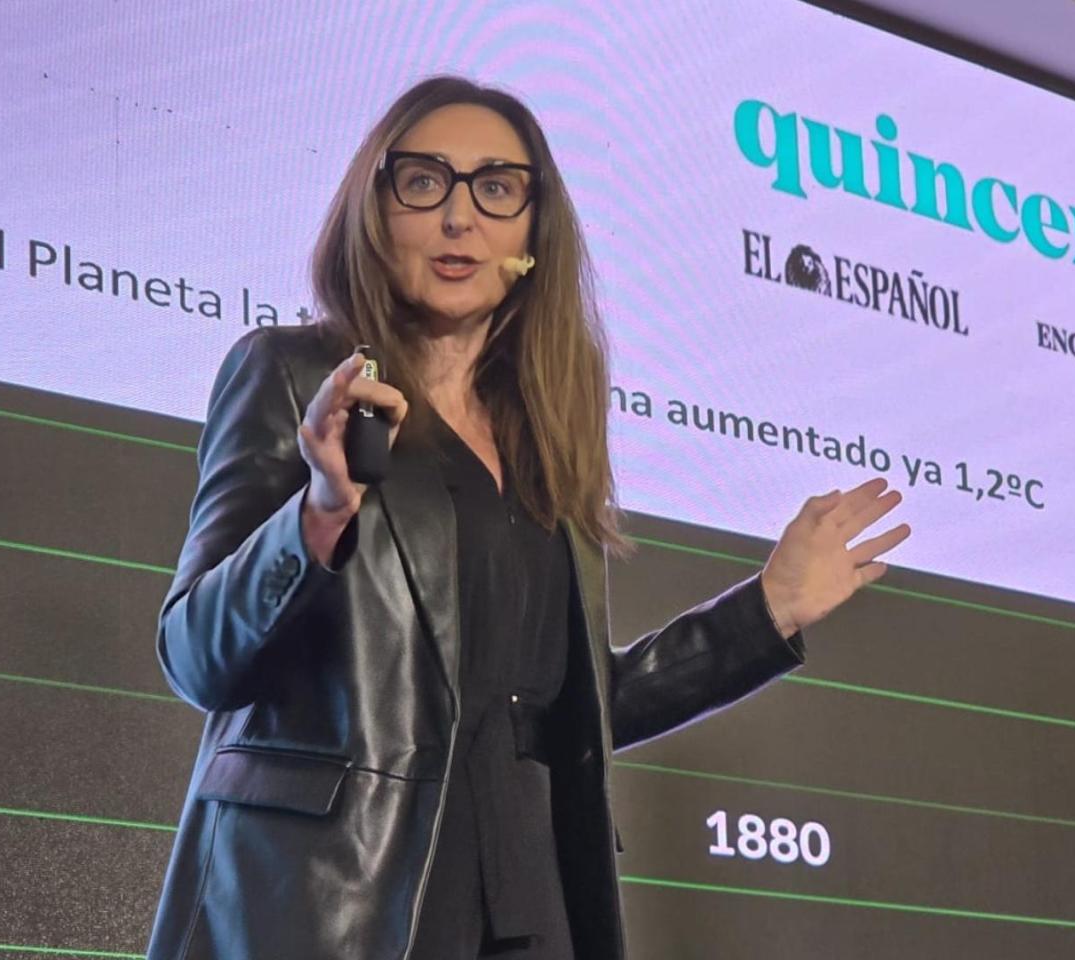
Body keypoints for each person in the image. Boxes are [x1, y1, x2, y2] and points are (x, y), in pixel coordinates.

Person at [143, 75, 909, 960]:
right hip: (340, 900)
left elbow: (571, 712)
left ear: (534, 234)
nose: (459, 218)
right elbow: (194, 655)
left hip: (531, 888)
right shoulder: (291, 373)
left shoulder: (544, 434)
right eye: (424, 182)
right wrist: (318, 512)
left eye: (496, 189)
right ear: (375, 211)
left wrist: (766, 611)